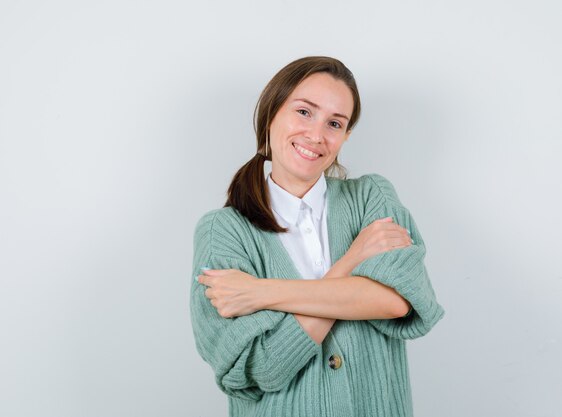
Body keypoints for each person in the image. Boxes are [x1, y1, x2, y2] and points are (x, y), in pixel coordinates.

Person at [190, 56, 444, 417]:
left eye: (334, 123)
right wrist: (353, 261)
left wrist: (260, 292)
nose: (316, 135)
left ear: (345, 136)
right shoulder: (224, 231)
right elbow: (262, 367)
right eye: (304, 112)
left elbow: (394, 301)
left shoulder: (372, 197)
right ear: (272, 112)